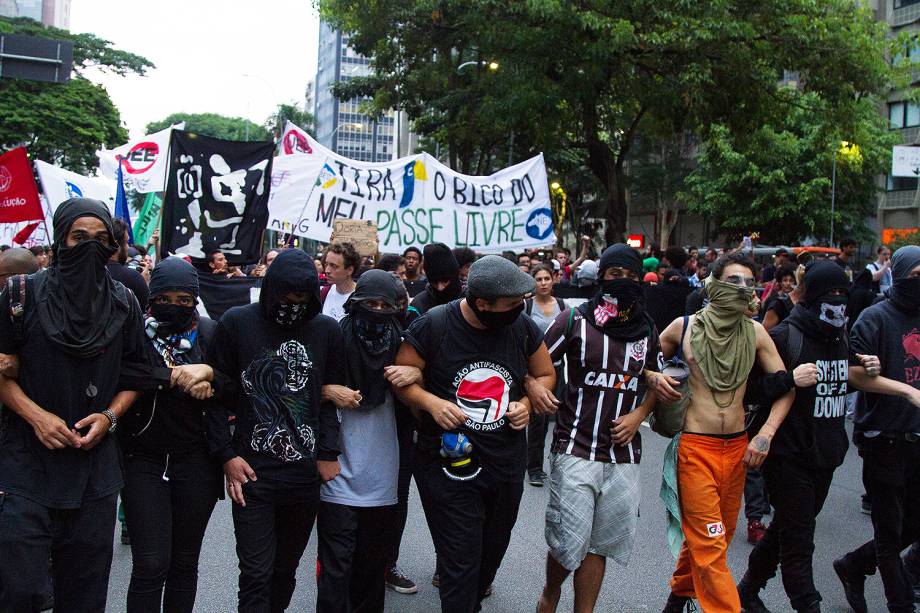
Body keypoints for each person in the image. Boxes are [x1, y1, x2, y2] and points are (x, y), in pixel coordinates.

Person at [0, 198, 147, 612]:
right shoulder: (21, 294)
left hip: (94, 474)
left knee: (83, 596)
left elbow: (137, 375)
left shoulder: (123, 302)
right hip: (26, 467)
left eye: (101, 240)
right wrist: (36, 416)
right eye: (79, 237)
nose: (89, 247)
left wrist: (109, 416)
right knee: (22, 590)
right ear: (61, 239)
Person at [394, 255, 556, 613]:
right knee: (460, 560)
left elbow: (545, 374)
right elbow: (402, 377)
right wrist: (431, 403)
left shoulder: (522, 327)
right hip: (448, 465)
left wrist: (527, 404)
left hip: (505, 464)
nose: (521, 308)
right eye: (513, 304)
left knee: (490, 554)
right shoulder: (434, 325)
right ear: (483, 304)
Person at [655, 251, 795, 613]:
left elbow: (785, 387)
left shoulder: (757, 332)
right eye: (734, 281)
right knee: (711, 543)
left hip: (737, 449)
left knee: (715, 537)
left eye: (749, 282)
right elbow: (639, 361)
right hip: (695, 448)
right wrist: (653, 382)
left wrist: (765, 433)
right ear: (714, 284)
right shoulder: (682, 328)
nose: (743, 288)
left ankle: (677, 597)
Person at [207, 249, 345, 612]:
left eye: (301, 298)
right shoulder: (237, 323)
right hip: (253, 473)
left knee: (284, 570)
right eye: (286, 297)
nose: (293, 305)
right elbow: (215, 399)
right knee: (255, 572)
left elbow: (330, 395)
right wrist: (227, 456)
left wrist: (328, 452)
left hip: (303, 476)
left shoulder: (327, 330)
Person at [737, 261, 872, 613]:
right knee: (799, 545)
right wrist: (789, 379)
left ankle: (747, 590)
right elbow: (751, 391)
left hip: (825, 456)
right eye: (830, 293)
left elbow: (852, 367)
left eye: (843, 292)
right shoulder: (785, 336)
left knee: (785, 529)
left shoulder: (840, 333)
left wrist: (868, 363)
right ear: (810, 295)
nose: (838, 300)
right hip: (787, 456)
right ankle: (807, 604)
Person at [534, 245, 661, 613]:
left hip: (623, 455)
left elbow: (655, 379)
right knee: (567, 541)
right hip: (575, 447)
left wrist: (639, 416)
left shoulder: (647, 329)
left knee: (599, 544)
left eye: (630, 277)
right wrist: (535, 388)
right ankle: (550, 593)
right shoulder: (574, 320)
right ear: (601, 276)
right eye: (614, 276)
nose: (622, 283)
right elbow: (537, 363)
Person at [117, 257, 228, 613]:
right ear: (152, 298)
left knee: (184, 563)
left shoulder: (211, 333)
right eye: (166, 298)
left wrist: (209, 379)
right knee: (150, 563)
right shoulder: (134, 331)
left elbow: (237, 383)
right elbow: (122, 373)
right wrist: (170, 377)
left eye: (185, 300)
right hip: (143, 459)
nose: (176, 307)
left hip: (197, 461)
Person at [316, 270, 418, 613]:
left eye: (384, 304)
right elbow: (302, 388)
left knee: (372, 567)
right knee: (336, 566)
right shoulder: (333, 340)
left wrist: (415, 375)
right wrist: (325, 391)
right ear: (354, 304)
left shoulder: (404, 347)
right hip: (337, 470)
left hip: (384, 477)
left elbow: (425, 394)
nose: (376, 310)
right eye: (369, 303)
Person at [833, 245, 920, 613]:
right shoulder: (874, 317)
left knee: (912, 526)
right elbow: (851, 375)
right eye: (916, 276)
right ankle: (899, 603)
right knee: (889, 531)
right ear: (898, 275)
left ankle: (854, 565)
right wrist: (899, 387)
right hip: (883, 438)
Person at [524, 263, 566, 487]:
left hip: (558, 369)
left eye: (546, 279)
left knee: (561, 420)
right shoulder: (526, 306)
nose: (543, 283)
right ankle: (534, 468)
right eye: (538, 279)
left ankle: (558, 466)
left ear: (553, 280)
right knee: (537, 421)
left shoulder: (562, 305)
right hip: (535, 372)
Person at [406, 243, 462, 324]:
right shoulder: (419, 304)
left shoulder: (470, 299)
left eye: (445, 281)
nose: (440, 288)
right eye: (434, 282)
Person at [108, 218, 150, 311]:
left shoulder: (89, 272)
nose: (128, 247)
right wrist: (140, 282)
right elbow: (146, 313)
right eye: (126, 242)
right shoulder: (133, 278)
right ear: (117, 245)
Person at [321, 242, 360, 323]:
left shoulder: (361, 297)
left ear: (350, 270)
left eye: (333, 266)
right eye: (326, 264)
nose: (327, 270)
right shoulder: (323, 293)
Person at [761, 265, 798, 331]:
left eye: (791, 280)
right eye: (785, 280)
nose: (788, 283)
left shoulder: (794, 298)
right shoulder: (773, 300)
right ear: (780, 282)